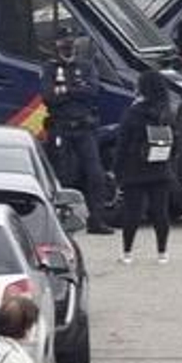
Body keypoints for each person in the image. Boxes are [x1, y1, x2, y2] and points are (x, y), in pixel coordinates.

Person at [42, 27, 114, 234]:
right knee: (62, 175)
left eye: (70, 40)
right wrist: (76, 89)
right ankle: (59, 221)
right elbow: (49, 96)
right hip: (60, 128)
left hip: (84, 129)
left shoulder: (86, 65)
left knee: (95, 175)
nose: (67, 44)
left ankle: (96, 220)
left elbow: (92, 92)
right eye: (63, 40)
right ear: (56, 44)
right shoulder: (49, 68)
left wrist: (65, 90)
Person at [114, 70, 176, 264]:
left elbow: (122, 143)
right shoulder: (167, 113)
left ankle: (127, 253)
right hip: (161, 168)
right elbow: (177, 141)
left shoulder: (134, 113)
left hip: (135, 169)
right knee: (161, 212)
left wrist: (118, 171)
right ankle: (162, 253)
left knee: (132, 212)